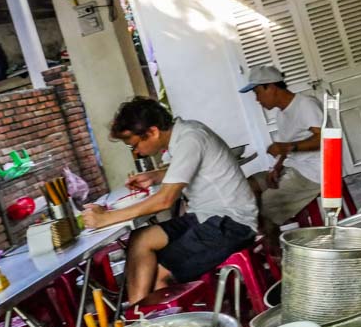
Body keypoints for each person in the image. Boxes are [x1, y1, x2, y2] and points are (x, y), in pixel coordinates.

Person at [82, 97, 258, 305]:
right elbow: (187, 169)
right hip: (206, 216)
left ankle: (162, 323)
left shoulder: (190, 139)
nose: (136, 152)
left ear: (153, 132)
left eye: (135, 145)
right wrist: (155, 176)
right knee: (140, 238)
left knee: (158, 274)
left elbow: (165, 200)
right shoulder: (185, 134)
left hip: (232, 224)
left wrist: (106, 219)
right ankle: (138, 314)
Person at [240, 66, 323, 250]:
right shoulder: (281, 114)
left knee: (264, 209)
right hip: (292, 168)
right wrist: (276, 167)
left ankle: (279, 256)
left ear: (270, 87)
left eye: (257, 92)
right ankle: (271, 242)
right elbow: (286, 151)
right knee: (248, 185)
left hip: (314, 172)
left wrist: (287, 147)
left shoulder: (305, 104)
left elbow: (324, 138)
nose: (257, 99)